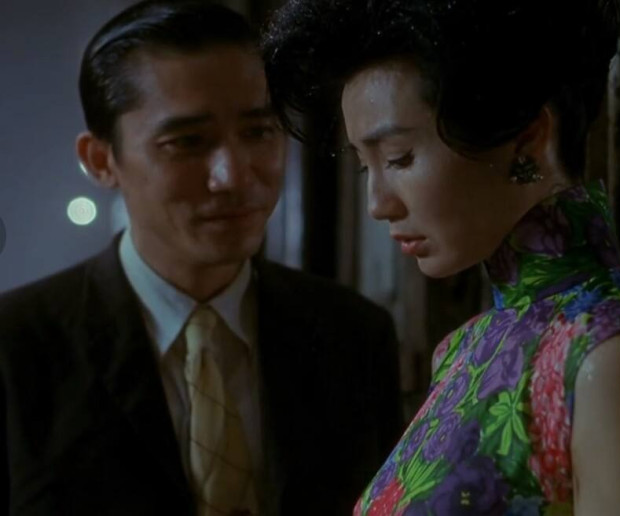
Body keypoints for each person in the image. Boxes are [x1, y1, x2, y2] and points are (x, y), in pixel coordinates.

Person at [262, 0, 620, 514]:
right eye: (366, 166)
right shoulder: (464, 350)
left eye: (399, 158)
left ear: (528, 139)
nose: (377, 204)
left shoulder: (609, 356)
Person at [0, 1, 403, 515]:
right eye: (187, 142)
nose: (232, 176)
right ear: (101, 160)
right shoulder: (17, 349)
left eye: (259, 132)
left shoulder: (352, 336)